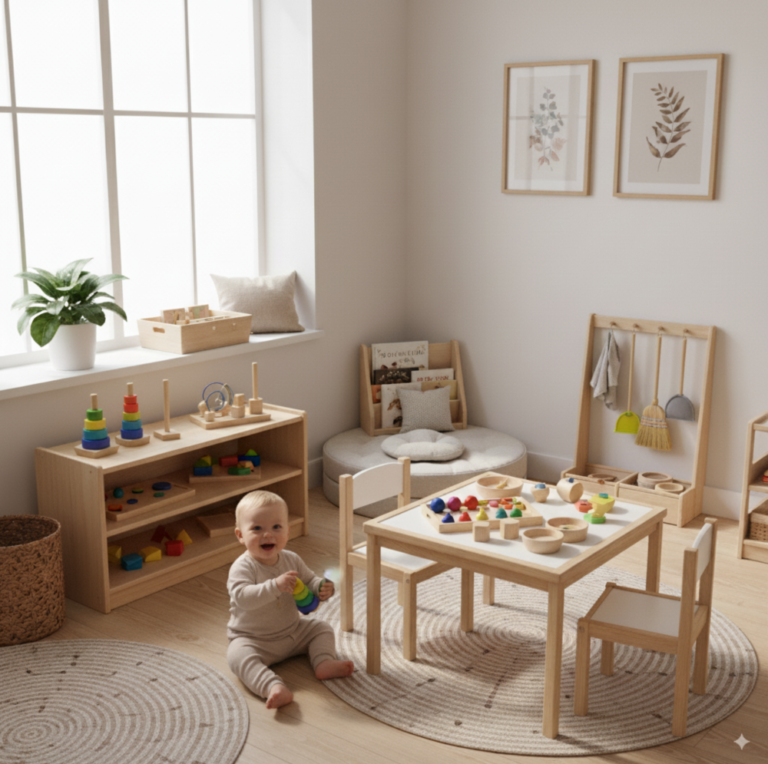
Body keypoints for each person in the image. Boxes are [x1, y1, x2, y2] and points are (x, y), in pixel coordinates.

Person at [227, 489, 354, 708]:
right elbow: (242, 598)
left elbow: (309, 580)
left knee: (321, 628)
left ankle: (324, 662)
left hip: (292, 631)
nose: (268, 535)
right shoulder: (243, 567)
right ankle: (272, 686)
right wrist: (274, 586)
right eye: (257, 528)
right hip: (254, 639)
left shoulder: (291, 559)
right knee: (236, 656)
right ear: (240, 535)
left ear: (287, 531)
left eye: (276, 527)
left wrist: (321, 588)